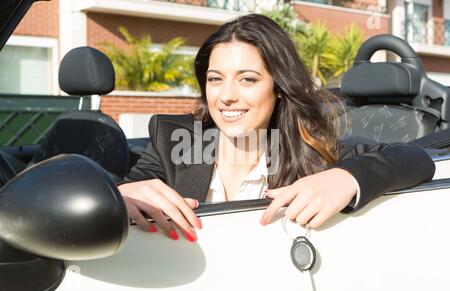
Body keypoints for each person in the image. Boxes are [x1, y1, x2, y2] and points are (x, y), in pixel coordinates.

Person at [118, 14, 435, 241]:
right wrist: (118, 193)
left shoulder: (310, 150)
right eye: (215, 79)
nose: (227, 96)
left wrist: (346, 178)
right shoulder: (174, 141)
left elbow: (414, 158)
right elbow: (108, 187)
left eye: (248, 79)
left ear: (279, 87)